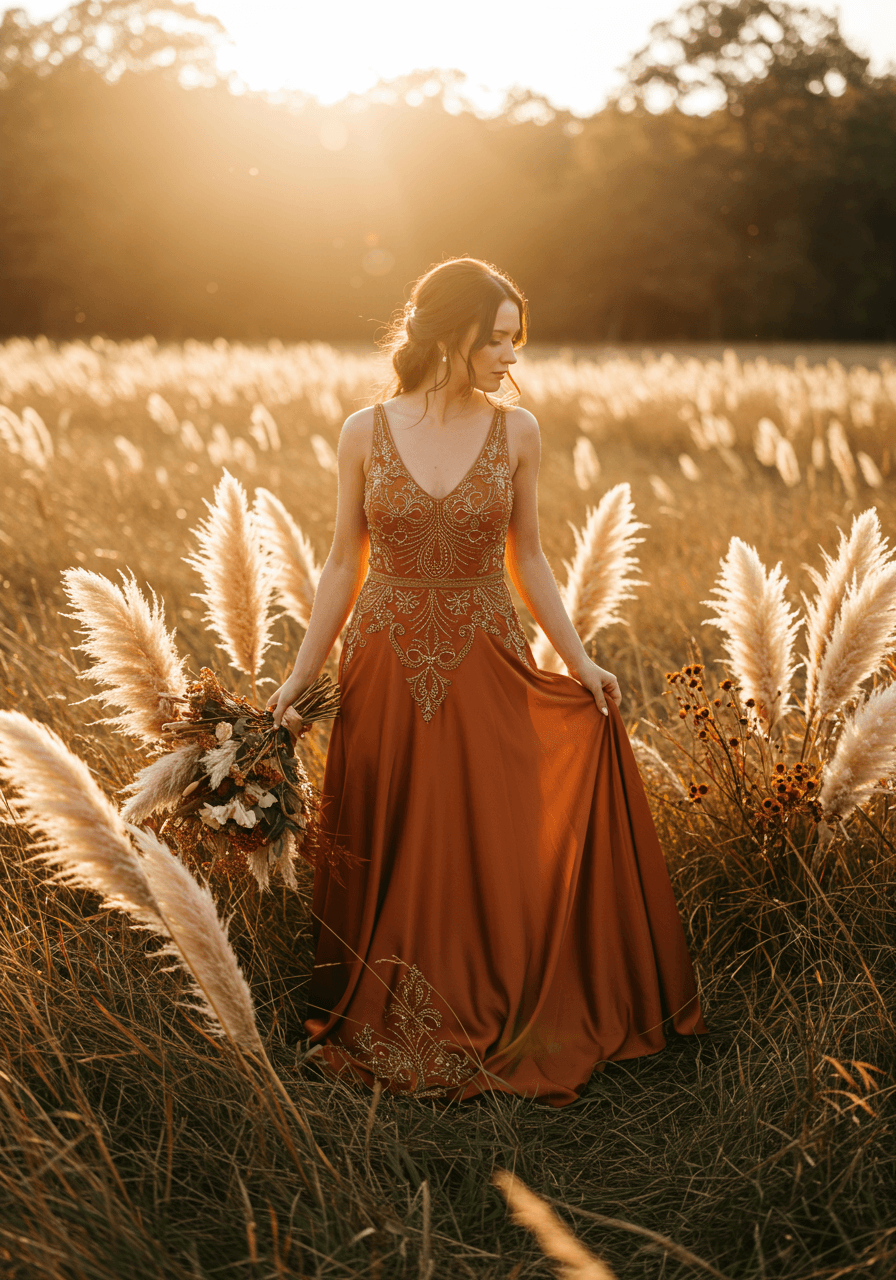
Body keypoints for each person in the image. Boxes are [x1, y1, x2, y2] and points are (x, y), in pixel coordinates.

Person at [266, 256, 707, 1106]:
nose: (511, 357)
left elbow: (530, 555)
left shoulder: (519, 432)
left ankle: (498, 1001)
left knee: (486, 834)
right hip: (385, 661)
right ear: (450, 332)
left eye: (516, 341)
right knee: (392, 831)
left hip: (487, 653)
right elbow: (341, 561)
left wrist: (579, 659)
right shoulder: (364, 429)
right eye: (497, 340)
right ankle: (381, 1007)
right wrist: (299, 677)